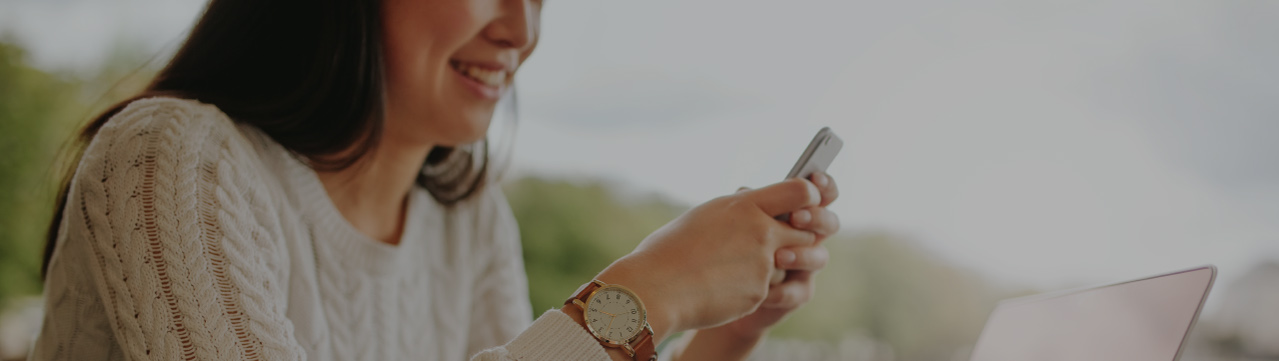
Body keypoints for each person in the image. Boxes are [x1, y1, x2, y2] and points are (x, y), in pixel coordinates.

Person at [30, 0, 840, 360]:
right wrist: (643, 295)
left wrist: (726, 331)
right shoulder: (170, 159)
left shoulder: (466, 217)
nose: (520, 31)